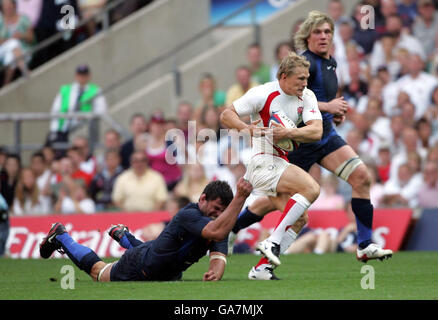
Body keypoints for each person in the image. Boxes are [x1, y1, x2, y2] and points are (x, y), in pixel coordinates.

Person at [229, 11, 393, 280]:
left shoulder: (331, 62)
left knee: (362, 177)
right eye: (317, 32)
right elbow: (295, 98)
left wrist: (333, 113)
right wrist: (328, 106)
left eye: (327, 32)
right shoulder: (305, 62)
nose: (323, 36)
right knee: (281, 204)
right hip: (299, 144)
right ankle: (241, 238)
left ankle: (364, 245)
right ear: (307, 36)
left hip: (325, 138)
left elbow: (318, 102)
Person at [220, 51, 323, 275]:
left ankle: (262, 269)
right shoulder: (262, 93)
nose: (305, 83)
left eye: (307, 78)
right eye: (300, 78)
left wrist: (288, 132)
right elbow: (226, 115)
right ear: (284, 76)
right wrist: (247, 129)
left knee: (300, 218)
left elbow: (317, 130)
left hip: (280, 162)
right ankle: (272, 242)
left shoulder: (307, 96)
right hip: (261, 162)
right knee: (311, 188)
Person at [39, 178, 252, 282]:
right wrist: (241, 198)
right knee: (99, 272)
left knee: (157, 251)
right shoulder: (190, 215)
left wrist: (215, 273)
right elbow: (214, 232)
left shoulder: (218, 226)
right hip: (139, 266)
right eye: (216, 210)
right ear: (202, 199)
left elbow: (219, 256)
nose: (218, 215)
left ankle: (123, 236)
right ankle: (61, 236)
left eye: (222, 212)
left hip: (163, 266)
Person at [48, 64, 107, 146]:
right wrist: (54, 129)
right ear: (76, 76)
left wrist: (85, 116)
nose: (82, 77)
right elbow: (55, 110)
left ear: (89, 76)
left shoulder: (95, 90)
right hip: (63, 128)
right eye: (80, 75)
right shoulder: (65, 90)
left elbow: (101, 110)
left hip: (83, 129)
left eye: (84, 75)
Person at [0, 0, 33, 85]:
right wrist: (11, 39)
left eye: (9, 5)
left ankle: (6, 86)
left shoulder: (23, 18)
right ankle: (25, 70)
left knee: (11, 57)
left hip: (23, 51)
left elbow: (31, 38)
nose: (8, 7)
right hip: (3, 50)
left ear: (14, 5)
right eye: (5, 5)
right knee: (13, 43)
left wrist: (21, 36)